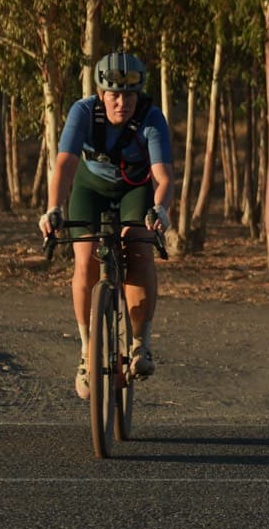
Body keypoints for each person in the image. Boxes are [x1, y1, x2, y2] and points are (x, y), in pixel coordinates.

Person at [39, 50, 175, 398]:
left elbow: (162, 176)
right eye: (114, 95)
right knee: (85, 260)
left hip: (135, 189)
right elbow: (66, 163)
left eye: (129, 95)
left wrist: (159, 209)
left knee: (140, 248)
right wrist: (53, 207)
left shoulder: (151, 118)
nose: (122, 102)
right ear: (101, 94)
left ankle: (140, 344)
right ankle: (87, 351)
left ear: (138, 94)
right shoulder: (82, 112)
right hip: (91, 187)